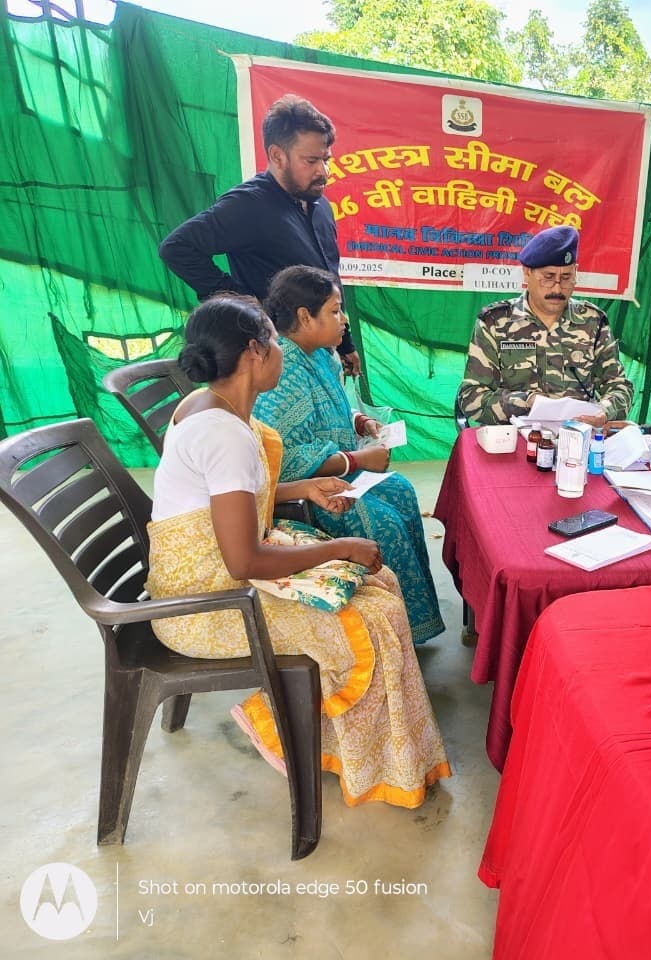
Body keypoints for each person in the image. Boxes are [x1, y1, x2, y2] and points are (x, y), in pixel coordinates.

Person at [146, 294, 449, 807]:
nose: (282, 352)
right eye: (273, 340)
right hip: (211, 603)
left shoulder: (208, 405)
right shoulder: (224, 432)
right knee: (374, 618)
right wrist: (344, 547)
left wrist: (299, 491)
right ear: (253, 352)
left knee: (381, 585)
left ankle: (341, 740)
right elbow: (246, 562)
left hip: (214, 569)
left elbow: (231, 500)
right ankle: (278, 726)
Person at [253, 265, 445, 645]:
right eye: (336, 311)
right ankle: (386, 633)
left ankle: (413, 622)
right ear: (306, 317)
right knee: (381, 521)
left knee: (401, 491)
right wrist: (357, 461)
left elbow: (332, 409)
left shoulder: (322, 353)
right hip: (303, 490)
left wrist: (360, 423)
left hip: (336, 469)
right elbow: (284, 460)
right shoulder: (284, 368)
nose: (344, 320)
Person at [159, 95, 361, 377]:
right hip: (276, 363)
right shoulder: (248, 204)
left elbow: (329, 280)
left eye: (326, 160)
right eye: (311, 160)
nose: (323, 171)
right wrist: (243, 305)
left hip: (320, 357)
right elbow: (176, 248)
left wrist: (344, 342)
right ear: (278, 155)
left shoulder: (321, 206)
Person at [455, 225, 634, 428]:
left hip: (577, 440)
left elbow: (620, 386)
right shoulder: (496, 323)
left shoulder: (593, 323)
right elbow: (471, 396)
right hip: (513, 442)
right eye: (548, 278)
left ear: (576, 273)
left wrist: (605, 411)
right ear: (527, 274)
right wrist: (526, 401)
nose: (557, 288)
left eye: (566, 278)